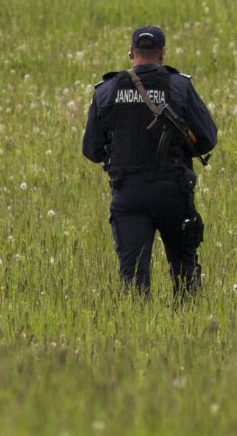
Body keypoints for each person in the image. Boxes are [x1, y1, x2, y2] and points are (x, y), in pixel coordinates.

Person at [82, 26, 218, 297]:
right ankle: (189, 328)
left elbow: (92, 149)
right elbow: (207, 138)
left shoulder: (107, 91)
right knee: (185, 274)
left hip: (128, 195)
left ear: (131, 53)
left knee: (132, 278)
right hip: (173, 193)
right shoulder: (179, 86)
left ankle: (137, 330)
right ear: (163, 54)